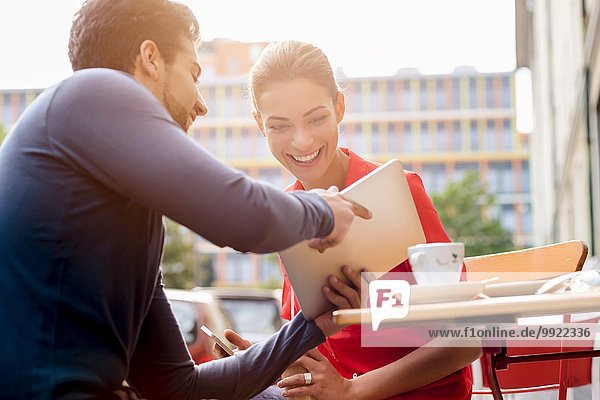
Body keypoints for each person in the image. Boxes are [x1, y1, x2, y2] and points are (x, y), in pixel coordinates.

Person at [0, 1, 372, 399]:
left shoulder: (130, 218)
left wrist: (310, 326)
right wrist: (323, 212)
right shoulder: (92, 90)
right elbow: (241, 216)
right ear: (150, 59)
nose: (201, 103)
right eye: (193, 74)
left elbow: (177, 385)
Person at [246, 40, 483, 399]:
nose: (302, 139)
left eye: (316, 118)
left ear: (339, 106)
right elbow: (314, 354)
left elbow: (468, 338)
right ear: (260, 125)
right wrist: (258, 361)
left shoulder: (400, 193)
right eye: (280, 126)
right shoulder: (288, 212)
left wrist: (352, 388)